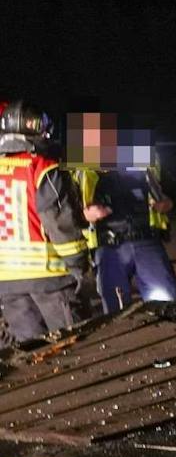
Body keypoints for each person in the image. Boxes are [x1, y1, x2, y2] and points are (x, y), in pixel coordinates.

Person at [0, 102, 96, 340]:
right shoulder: (42, 168)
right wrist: (79, 266)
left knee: (34, 354)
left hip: (7, 284)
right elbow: (59, 223)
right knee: (73, 346)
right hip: (50, 279)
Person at [71, 113, 176, 313]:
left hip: (147, 241)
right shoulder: (80, 168)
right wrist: (84, 215)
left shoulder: (146, 157)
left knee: (166, 306)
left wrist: (168, 203)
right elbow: (65, 211)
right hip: (107, 248)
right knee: (116, 312)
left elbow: (174, 192)